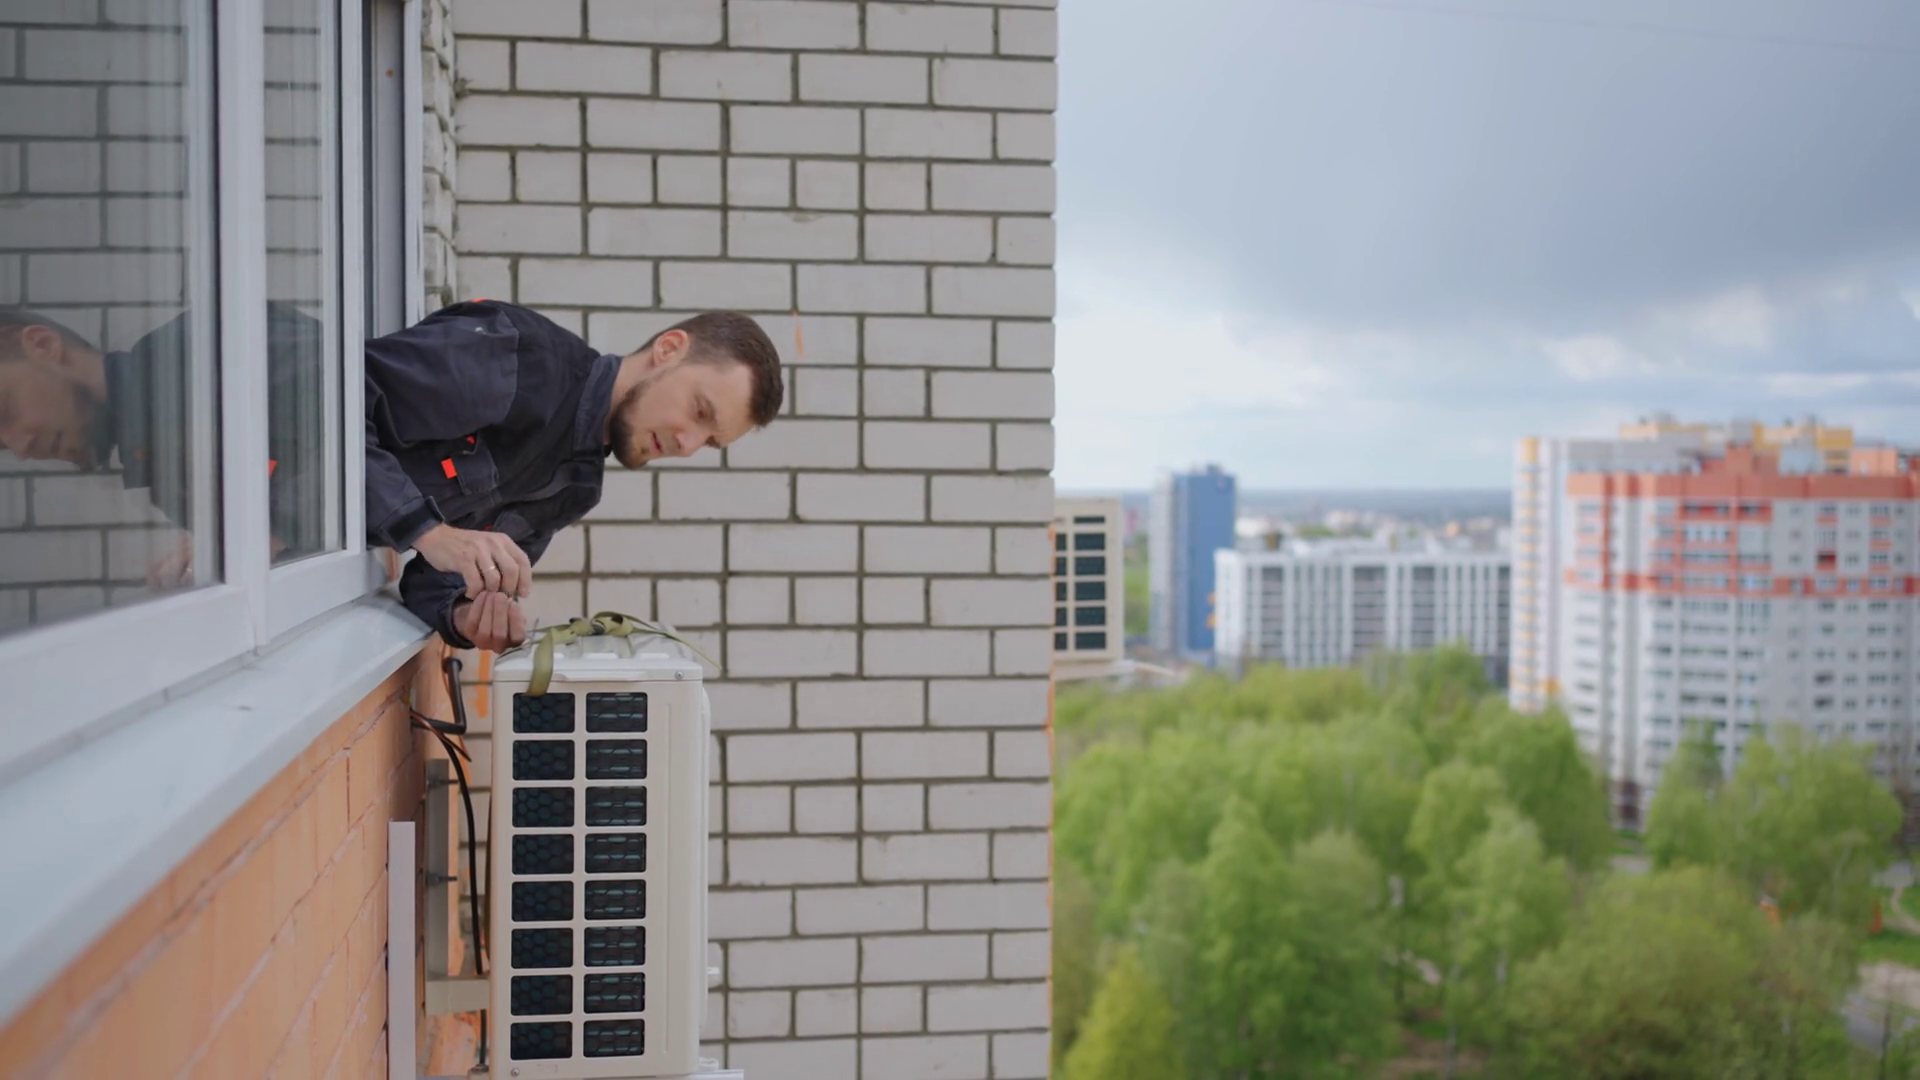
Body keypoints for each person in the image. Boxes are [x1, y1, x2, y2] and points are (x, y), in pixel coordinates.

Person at [365, 300, 783, 653]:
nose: (688, 445)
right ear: (669, 349)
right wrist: (428, 531)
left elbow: (435, 583)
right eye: (699, 411)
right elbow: (342, 400)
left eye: (708, 442)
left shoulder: (576, 487)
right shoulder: (521, 360)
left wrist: (465, 616)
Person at [0, 304, 327, 582]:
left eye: (5, 410)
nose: (20, 448)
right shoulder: (157, 464)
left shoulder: (204, 349)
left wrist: (268, 529)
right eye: (1, 446)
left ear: (42, 345)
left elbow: (351, 401)